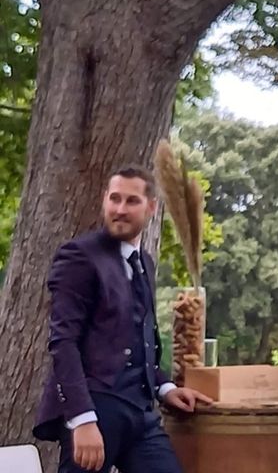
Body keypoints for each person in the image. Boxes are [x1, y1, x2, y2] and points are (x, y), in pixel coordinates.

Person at [33, 165, 212, 472]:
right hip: (95, 408)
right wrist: (83, 419)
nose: (120, 209)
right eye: (114, 199)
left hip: (141, 415)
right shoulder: (79, 256)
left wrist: (166, 388)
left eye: (131, 201)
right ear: (104, 200)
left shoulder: (144, 261)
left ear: (151, 207)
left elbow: (138, 340)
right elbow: (63, 343)